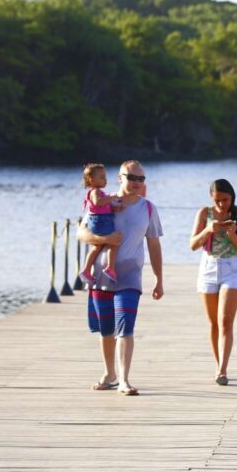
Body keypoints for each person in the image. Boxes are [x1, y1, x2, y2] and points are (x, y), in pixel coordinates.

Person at [77, 160, 164, 396]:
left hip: (130, 276)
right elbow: (82, 232)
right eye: (132, 178)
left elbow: (154, 245)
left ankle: (124, 380)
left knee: (125, 325)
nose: (136, 183)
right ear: (120, 177)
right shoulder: (103, 201)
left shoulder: (148, 208)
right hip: (100, 276)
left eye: (141, 179)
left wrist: (159, 278)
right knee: (106, 329)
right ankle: (110, 374)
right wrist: (103, 240)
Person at [189, 179, 237, 386]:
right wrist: (208, 229)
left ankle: (222, 370)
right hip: (208, 267)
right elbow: (193, 244)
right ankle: (219, 365)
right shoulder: (204, 213)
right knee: (213, 323)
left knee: (225, 320)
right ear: (211, 198)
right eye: (217, 200)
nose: (221, 205)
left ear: (232, 197)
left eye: (225, 200)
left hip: (233, 268)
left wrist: (232, 232)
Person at [79, 163, 121, 287]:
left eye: (105, 177)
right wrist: (112, 197)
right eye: (102, 177)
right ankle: (110, 268)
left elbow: (102, 206)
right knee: (113, 244)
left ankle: (86, 270)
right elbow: (98, 203)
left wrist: (114, 207)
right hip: (101, 221)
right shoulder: (95, 192)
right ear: (92, 180)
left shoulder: (96, 191)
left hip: (97, 220)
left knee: (97, 247)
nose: (105, 180)